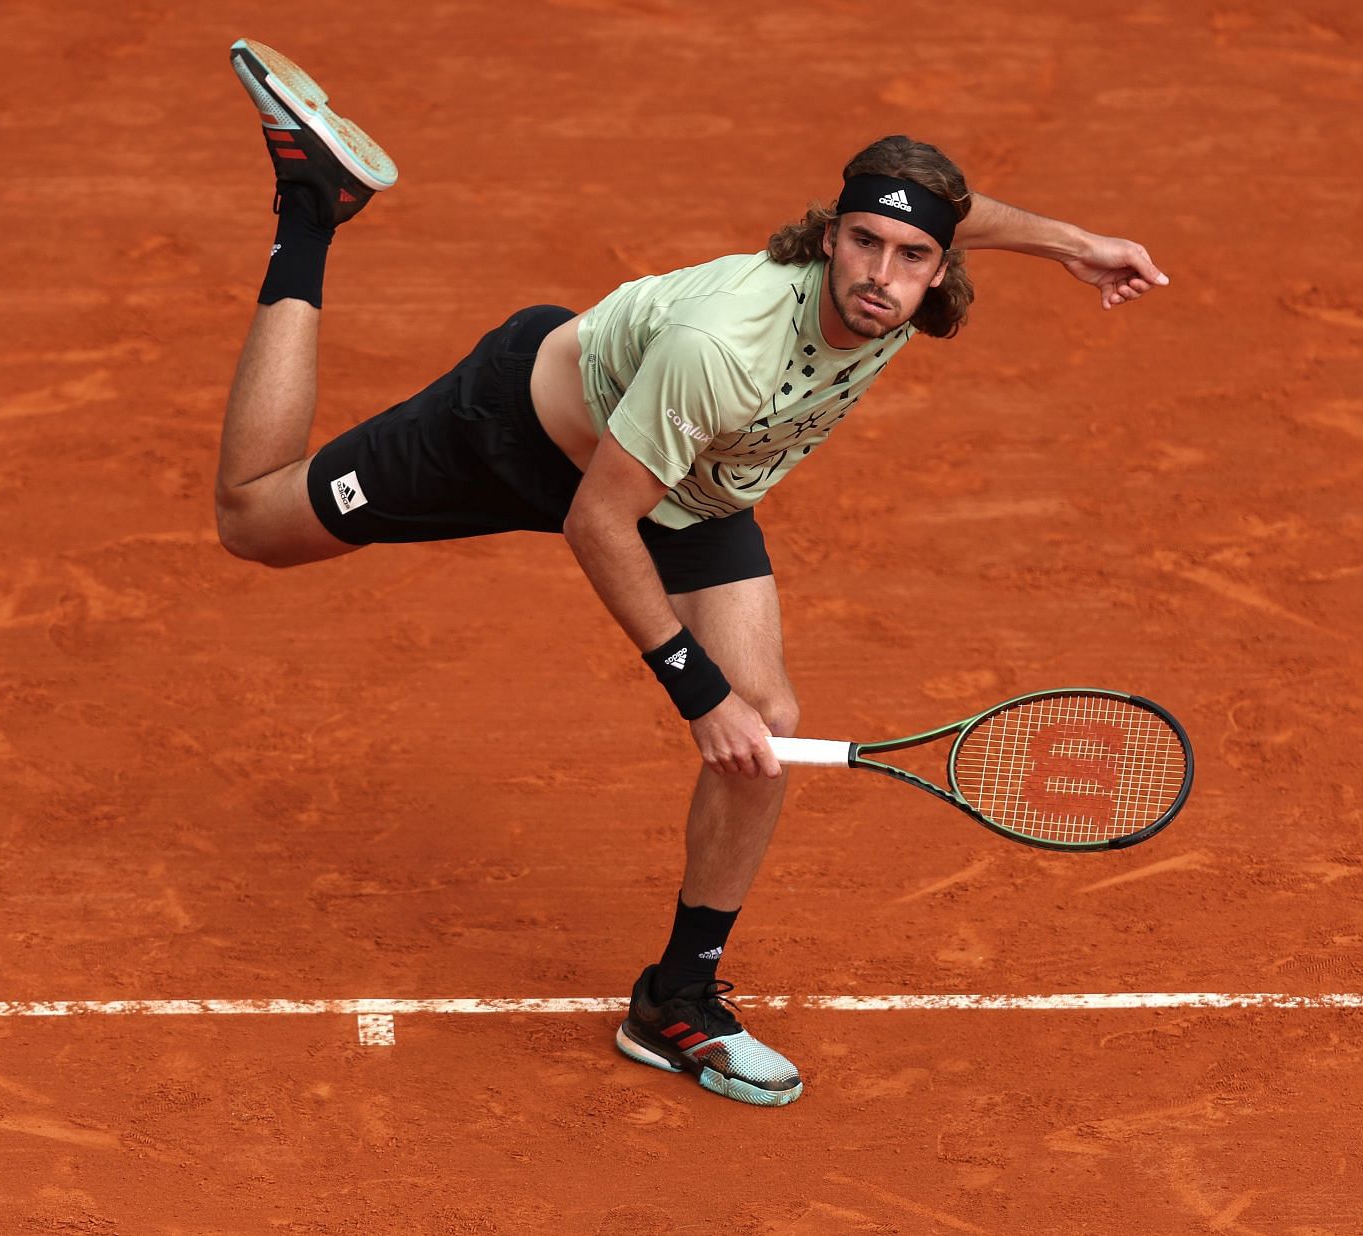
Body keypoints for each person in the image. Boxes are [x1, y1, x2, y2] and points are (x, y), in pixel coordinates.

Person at [215, 38, 1169, 1107]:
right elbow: (596, 521)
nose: (880, 276)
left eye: (911, 255)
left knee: (764, 733)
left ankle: (677, 997)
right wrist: (693, 691)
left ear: (942, 266)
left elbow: (966, 208)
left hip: (697, 488)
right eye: (862, 243)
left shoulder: (908, 279)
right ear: (827, 234)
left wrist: (1076, 243)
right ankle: (310, 204)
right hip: (521, 435)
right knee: (256, 520)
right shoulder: (727, 346)